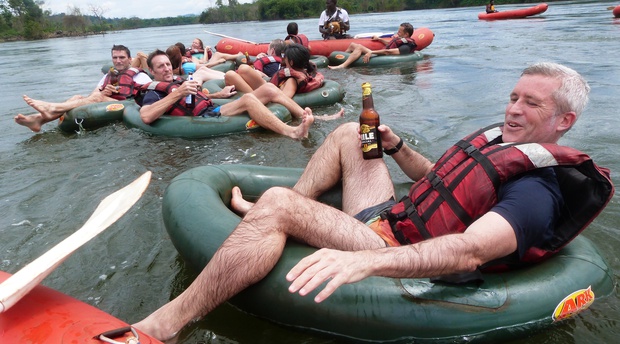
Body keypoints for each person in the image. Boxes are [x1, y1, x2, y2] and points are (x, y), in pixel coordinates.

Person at [133, 62, 613, 340]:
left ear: (564, 121)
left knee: (278, 202)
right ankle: (271, 220)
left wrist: (366, 265)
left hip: (398, 251)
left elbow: (469, 251)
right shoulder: (499, 142)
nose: (512, 108)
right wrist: (396, 145)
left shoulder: (538, 189)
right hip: (390, 218)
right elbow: (440, 179)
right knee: (348, 133)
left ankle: (164, 325)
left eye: (532, 104)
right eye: (513, 96)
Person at [138, 50, 343, 140]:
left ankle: (310, 118)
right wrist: (178, 93)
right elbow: (146, 116)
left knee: (270, 89)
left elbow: (198, 98)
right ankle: (292, 132)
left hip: (213, 107)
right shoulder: (154, 91)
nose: (166, 68)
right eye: (160, 66)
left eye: (167, 64)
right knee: (247, 98)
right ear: (152, 71)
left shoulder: (179, 81)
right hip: (203, 118)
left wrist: (221, 93)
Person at [14, 45, 152, 132]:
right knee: (77, 97)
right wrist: (104, 92)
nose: (118, 61)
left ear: (129, 59)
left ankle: (50, 110)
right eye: (115, 57)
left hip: (129, 105)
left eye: (122, 57)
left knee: (97, 97)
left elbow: (148, 98)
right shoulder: (109, 75)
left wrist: (102, 96)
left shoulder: (140, 76)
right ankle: (39, 119)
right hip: (107, 100)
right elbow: (92, 96)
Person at [225, 43, 322, 98]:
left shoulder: (292, 80)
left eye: (285, 57)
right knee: (243, 69)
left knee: (230, 75)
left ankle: (250, 95)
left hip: (266, 95)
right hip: (269, 88)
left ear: (291, 62)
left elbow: (283, 99)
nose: (283, 59)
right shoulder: (299, 72)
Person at [328, 23, 417, 70]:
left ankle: (343, 65)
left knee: (358, 47)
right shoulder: (401, 40)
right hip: (381, 54)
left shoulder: (407, 46)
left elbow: (388, 51)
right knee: (352, 45)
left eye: (400, 32)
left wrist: (371, 52)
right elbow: (389, 45)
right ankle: (341, 58)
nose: (398, 33)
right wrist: (379, 39)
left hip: (382, 57)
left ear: (406, 34)